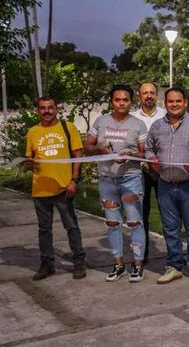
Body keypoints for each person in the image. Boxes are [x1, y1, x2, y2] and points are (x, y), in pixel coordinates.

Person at [145, 87, 189, 284]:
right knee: (170, 228)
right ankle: (174, 266)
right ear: (165, 103)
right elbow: (149, 148)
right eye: (170, 101)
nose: (174, 104)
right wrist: (151, 158)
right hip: (166, 185)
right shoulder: (157, 126)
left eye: (178, 101)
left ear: (185, 102)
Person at [84, 84, 148, 282]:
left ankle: (138, 265)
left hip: (131, 179)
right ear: (111, 101)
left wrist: (131, 154)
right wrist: (100, 149)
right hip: (107, 180)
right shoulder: (101, 121)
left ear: (131, 101)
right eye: (117, 99)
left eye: (125, 100)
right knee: (112, 223)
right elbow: (87, 146)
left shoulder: (138, 124)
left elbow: (144, 153)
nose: (121, 103)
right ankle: (118, 264)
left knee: (135, 222)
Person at [24, 96, 86, 280]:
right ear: (38, 111)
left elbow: (78, 156)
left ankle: (79, 263)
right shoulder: (32, 132)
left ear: (56, 109)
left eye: (50, 107)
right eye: (42, 108)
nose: (47, 111)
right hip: (40, 189)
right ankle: (47, 265)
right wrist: (28, 163)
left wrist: (74, 180)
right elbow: (30, 159)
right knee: (44, 230)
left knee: (72, 227)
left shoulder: (68, 128)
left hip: (63, 188)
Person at [130, 82, 166, 264]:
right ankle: (141, 254)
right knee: (140, 214)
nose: (149, 96)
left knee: (168, 213)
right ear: (139, 95)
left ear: (157, 95)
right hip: (139, 171)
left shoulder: (166, 115)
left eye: (152, 92)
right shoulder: (132, 118)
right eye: (145, 93)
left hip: (163, 172)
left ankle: (173, 255)